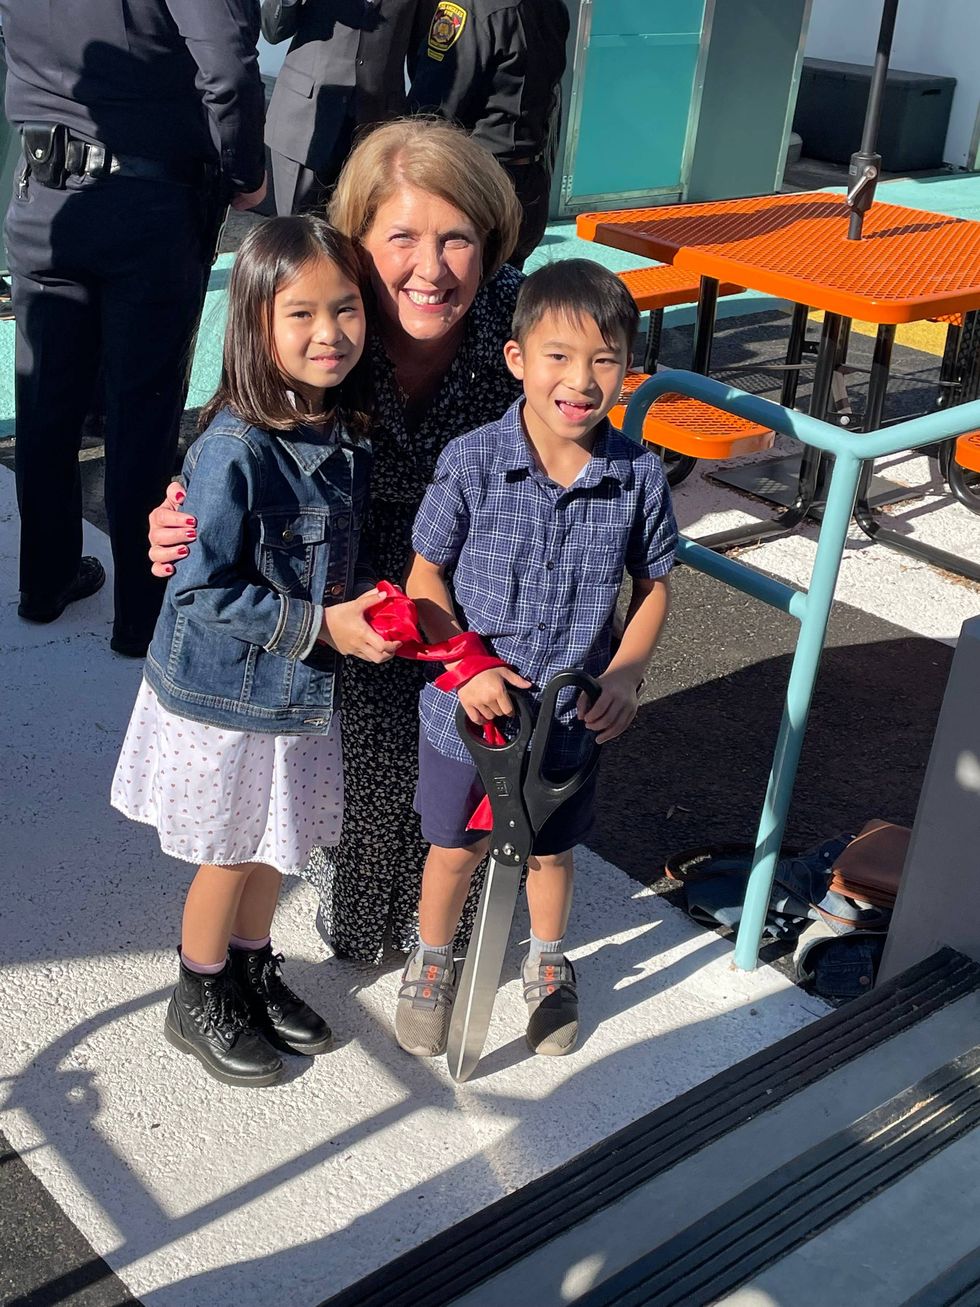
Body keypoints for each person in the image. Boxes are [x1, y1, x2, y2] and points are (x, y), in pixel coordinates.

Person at [149, 120, 523, 965]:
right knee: (355, 916)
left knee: (465, 819)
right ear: (357, 243)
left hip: (476, 570)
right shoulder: (328, 316)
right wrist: (181, 508)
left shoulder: (517, 316)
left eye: (457, 237)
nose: (431, 268)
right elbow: (241, 421)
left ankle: (448, 903)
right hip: (344, 578)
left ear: (490, 239)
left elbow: (581, 420)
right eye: (403, 238)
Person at [112, 217, 401, 1087]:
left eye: (346, 309)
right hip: (228, 702)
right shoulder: (235, 446)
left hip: (296, 695)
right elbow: (199, 588)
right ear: (254, 324)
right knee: (231, 850)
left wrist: (362, 606)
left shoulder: (341, 427)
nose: (329, 332)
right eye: (301, 314)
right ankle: (198, 989)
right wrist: (322, 625)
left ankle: (250, 963)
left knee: (281, 843)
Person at [394, 259, 676, 1059]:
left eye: (603, 360)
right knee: (455, 849)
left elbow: (654, 586)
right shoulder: (473, 460)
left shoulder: (636, 474)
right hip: (467, 715)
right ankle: (432, 960)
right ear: (517, 359)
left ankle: (548, 963)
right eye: (558, 356)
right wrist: (466, 665)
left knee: (550, 852)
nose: (580, 381)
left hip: (568, 717)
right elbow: (423, 578)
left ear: (627, 365)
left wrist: (626, 672)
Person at [3, 0, 267, 657]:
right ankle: (140, 618)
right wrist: (244, 173)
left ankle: (45, 582)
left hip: (43, 197)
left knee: (46, 402)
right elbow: (228, 69)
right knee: (142, 413)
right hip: (148, 206)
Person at [408, 0, 570, 268]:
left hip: (479, 184)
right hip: (530, 182)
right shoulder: (552, 7)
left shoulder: (471, 8)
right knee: (506, 284)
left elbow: (433, 110)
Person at [262, 0, 435, 216]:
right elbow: (272, 31)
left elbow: (423, 53)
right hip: (305, 117)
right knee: (295, 229)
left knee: (360, 229)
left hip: (377, 128)